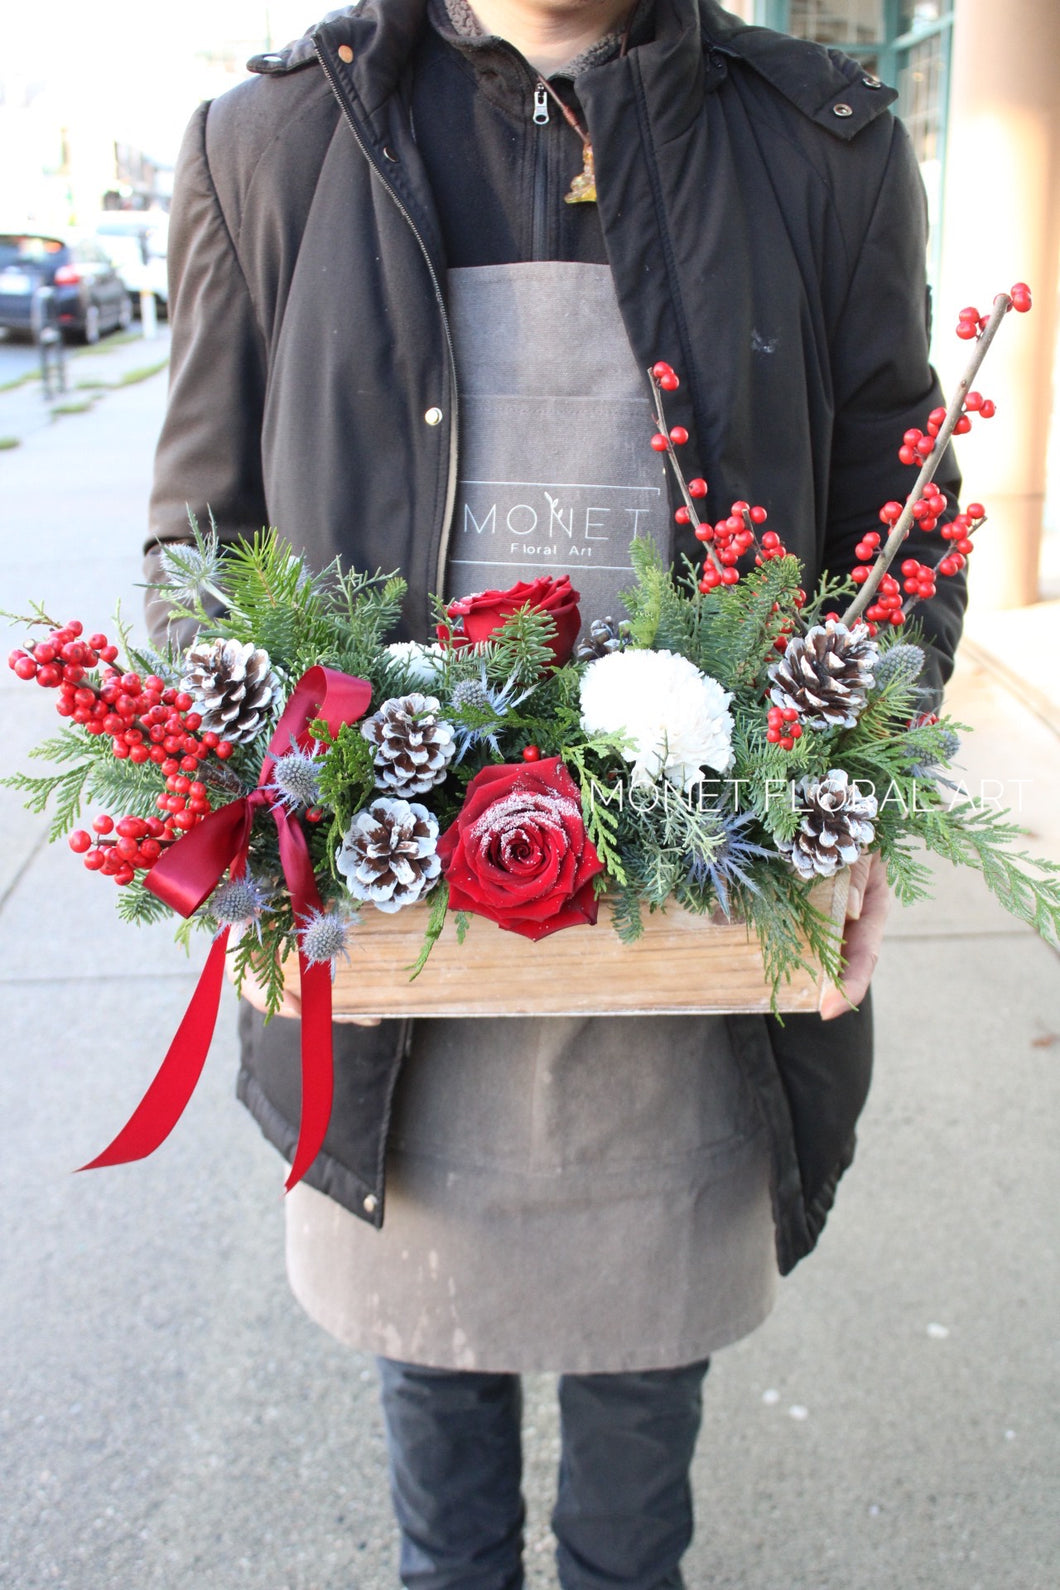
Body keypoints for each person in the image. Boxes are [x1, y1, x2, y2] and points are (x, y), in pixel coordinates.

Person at [147, 1, 963, 1584]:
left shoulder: (823, 144)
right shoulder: (269, 149)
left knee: (633, 1521)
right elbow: (197, 536)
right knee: (441, 1512)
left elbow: (900, 528)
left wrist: (853, 777)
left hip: (695, 994)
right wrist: (243, 759)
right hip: (392, 1006)